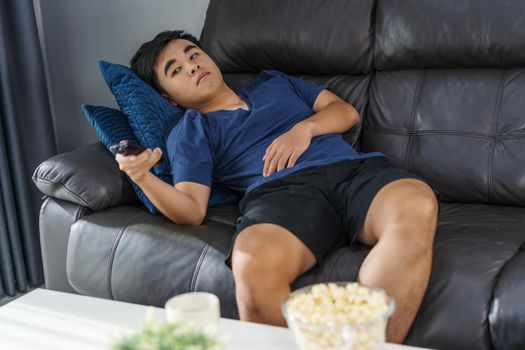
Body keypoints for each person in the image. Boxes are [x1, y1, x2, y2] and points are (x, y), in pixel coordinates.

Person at [115, 30, 441, 344]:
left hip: (354, 173)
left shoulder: (274, 82)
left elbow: (346, 111)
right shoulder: (192, 130)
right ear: (169, 98)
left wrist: (304, 129)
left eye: (194, 55)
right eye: (176, 70)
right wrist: (143, 176)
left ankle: (368, 344)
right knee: (251, 261)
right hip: (282, 195)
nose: (192, 66)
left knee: (416, 203)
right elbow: (191, 210)